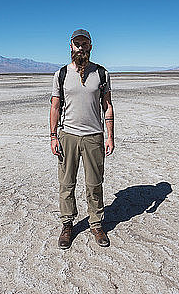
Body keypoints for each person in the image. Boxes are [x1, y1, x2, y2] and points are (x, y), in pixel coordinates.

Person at [50, 28, 114, 249]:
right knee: (66, 183)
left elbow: (107, 106)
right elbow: (55, 107)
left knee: (94, 183)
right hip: (68, 136)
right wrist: (53, 136)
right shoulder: (61, 75)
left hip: (94, 137)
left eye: (84, 44)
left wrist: (110, 137)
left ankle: (96, 224)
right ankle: (67, 224)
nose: (81, 47)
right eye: (77, 44)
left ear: (90, 47)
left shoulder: (102, 74)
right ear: (70, 47)